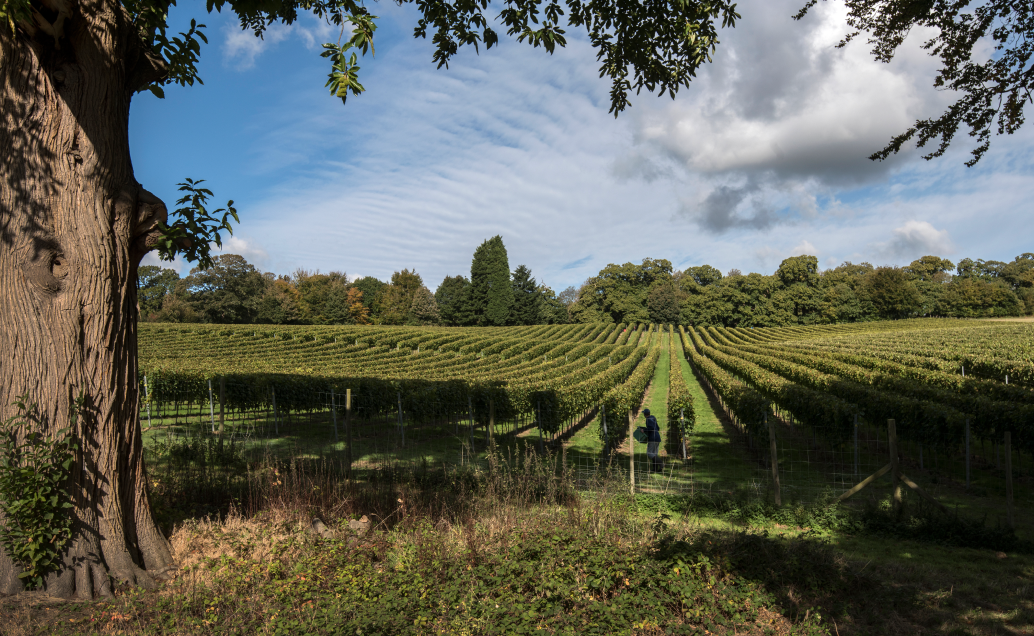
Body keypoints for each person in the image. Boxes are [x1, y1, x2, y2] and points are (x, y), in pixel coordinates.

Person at [643, 408, 662, 473]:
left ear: (645, 414)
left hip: (652, 438)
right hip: (657, 437)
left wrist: (644, 430)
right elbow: (657, 428)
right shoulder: (653, 418)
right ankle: (655, 469)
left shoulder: (648, 419)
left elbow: (651, 428)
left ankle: (661, 464)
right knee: (654, 454)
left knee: (649, 453)